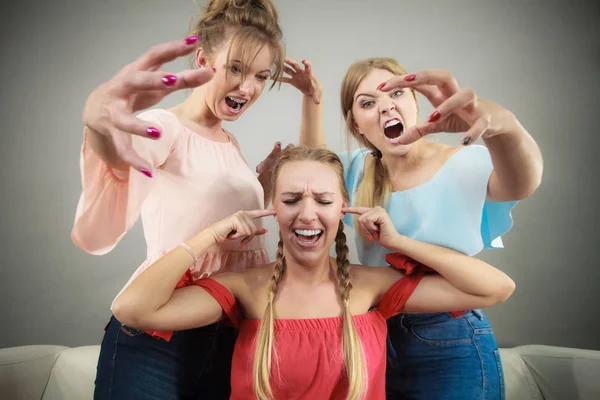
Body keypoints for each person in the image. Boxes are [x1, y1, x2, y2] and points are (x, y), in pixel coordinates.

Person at [112, 146, 516, 400]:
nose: (307, 214)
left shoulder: (368, 286)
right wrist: (210, 235)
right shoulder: (244, 287)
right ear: (273, 207)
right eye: (291, 199)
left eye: (323, 199)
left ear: (344, 206)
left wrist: (400, 243)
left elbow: (496, 289)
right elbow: (133, 309)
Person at [71, 1, 320, 398]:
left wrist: (263, 181)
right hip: (160, 332)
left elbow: (313, 183)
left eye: (260, 76)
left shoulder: (229, 143)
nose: (248, 87)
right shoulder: (165, 128)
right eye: (235, 68)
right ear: (203, 59)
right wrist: (99, 124)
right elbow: (119, 158)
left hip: (225, 333)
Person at [304, 58, 542, 399]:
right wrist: (311, 98)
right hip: (376, 334)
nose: (386, 106)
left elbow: (524, 183)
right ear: (356, 124)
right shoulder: (356, 170)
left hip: (450, 335)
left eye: (397, 93)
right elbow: (312, 166)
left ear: (415, 104)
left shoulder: (462, 161)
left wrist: (504, 126)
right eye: (368, 102)